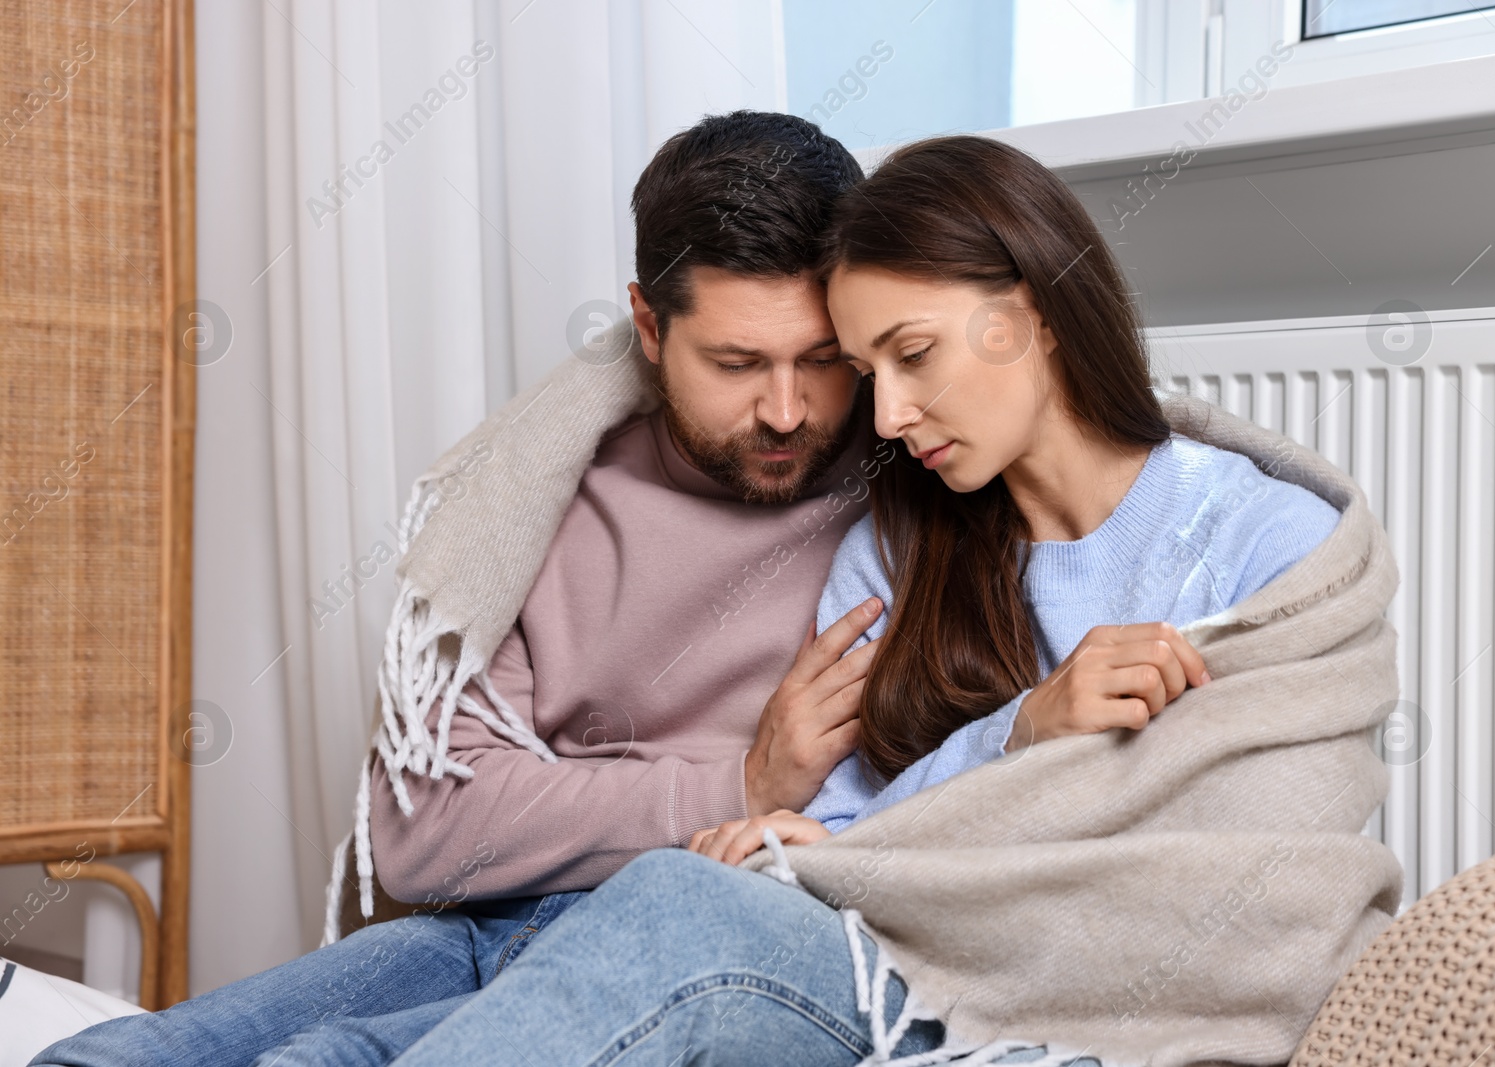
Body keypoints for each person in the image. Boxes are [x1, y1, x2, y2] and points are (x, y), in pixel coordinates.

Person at [381, 134, 1342, 1066]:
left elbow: (1247, 871)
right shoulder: (894, 548)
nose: (879, 419)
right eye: (869, 371)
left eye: (911, 355)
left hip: (1005, 996)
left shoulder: (1265, 538)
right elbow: (839, 847)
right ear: (649, 330)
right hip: (883, 958)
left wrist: (896, 826)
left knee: (675, 902)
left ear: (1037, 313)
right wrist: (1019, 734)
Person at [33, 110, 892, 1067]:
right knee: (124, 1057)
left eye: (821, 361)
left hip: (711, 923)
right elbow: (426, 829)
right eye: (736, 364)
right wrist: (729, 784)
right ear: (648, 326)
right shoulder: (531, 497)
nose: (786, 409)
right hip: (497, 925)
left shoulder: (911, 484)